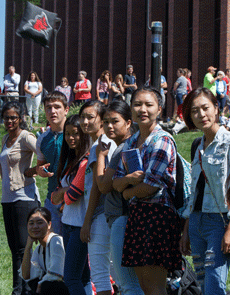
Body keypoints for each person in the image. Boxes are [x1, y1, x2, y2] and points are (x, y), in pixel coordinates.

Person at [112, 86, 182, 295]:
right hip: (137, 216)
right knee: (144, 287)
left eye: (148, 105)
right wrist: (129, 182)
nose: (142, 109)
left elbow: (150, 186)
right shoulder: (131, 142)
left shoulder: (162, 140)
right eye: (137, 104)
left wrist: (127, 192)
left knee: (155, 288)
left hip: (157, 216)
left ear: (159, 109)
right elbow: (116, 182)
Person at [180, 87, 230, 295]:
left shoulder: (227, 143)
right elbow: (195, 190)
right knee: (202, 285)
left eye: (205, 108)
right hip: (197, 221)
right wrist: (186, 229)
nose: (201, 115)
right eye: (194, 111)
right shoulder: (196, 144)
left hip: (219, 223)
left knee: (215, 284)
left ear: (216, 108)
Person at [95, 100, 144, 295]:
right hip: (124, 218)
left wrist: (100, 155)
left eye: (115, 121)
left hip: (123, 218)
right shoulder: (126, 145)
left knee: (128, 284)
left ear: (129, 122)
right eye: (105, 121)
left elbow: (104, 186)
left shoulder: (124, 148)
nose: (109, 126)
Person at [0, 101, 40, 295]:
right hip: (7, 199)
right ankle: (19, 291)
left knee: (24, 249)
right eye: (6, 117)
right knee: (14, 248)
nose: (9, 121)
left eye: (13, 117)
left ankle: (25, 291)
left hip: (24, 197)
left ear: (20, 118)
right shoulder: (4, 139)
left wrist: (31, 171)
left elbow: (44, 154)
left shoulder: (26, 137)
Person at [51, 115, 92, 295]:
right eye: (67, 134)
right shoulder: (70, 162)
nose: (70, 138)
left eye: (75, 133)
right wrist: (63, 192)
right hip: (68, 224)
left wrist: (63, 193)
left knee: (71, 278)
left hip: (79, 226)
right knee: (82, 278)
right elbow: (55, 198)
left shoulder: (85, 161)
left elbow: (70, 197)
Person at [79, 100, 117, 295]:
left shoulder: (99, 146)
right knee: (116, 273)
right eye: (82, 117)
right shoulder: (107, 142)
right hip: (111, 215)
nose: (85, 121)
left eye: (90, 117)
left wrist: (87, 221)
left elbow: (96, 186)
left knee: (100, 276)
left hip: (100, 215)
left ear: (101, 119)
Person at [36, 91, 69, 235]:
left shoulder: (77, 135)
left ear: (66, 110)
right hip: (51, 199)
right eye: (48, 107)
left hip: (74, 199)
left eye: (57, 107)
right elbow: (39, 166)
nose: (52, 111)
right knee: (54, 246)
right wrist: (40, 170)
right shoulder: (42, 139)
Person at [21, 207, 69, 295]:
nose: (35, 227)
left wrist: (39, 286)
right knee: (30, 286)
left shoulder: (56, 241)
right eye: (31, 223)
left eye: (39, 222)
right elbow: (26, 275)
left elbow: (56, 273)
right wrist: (28, 247)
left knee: (47, 285)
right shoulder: (39, 249)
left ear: (49, 225)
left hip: (66, 289)